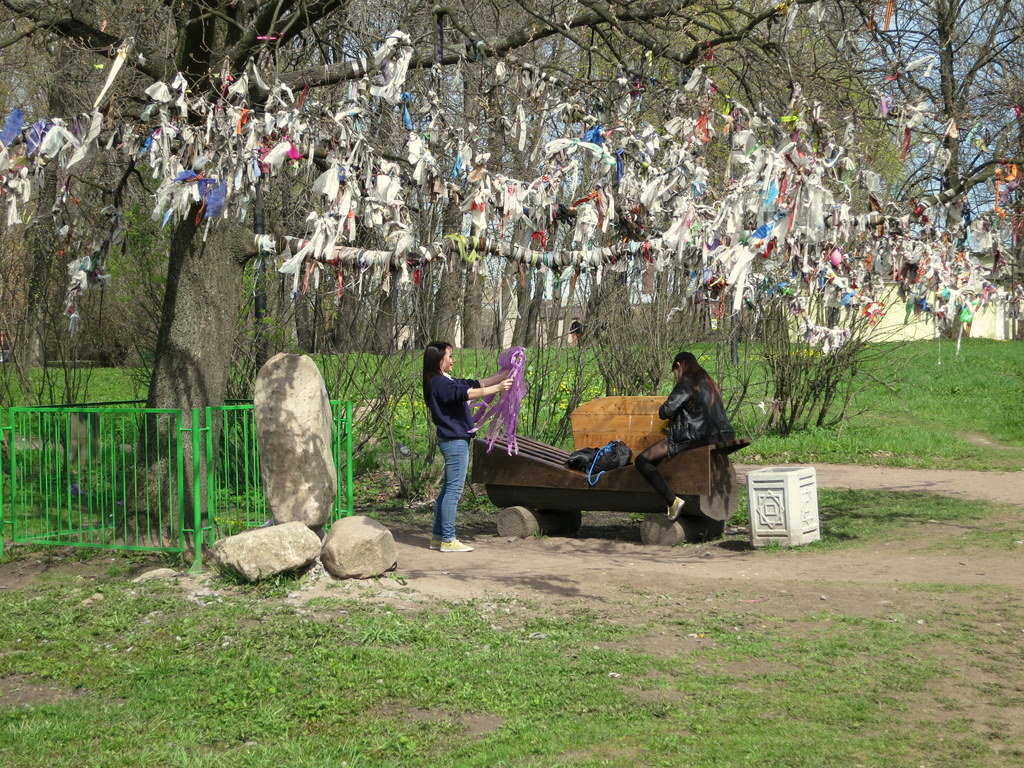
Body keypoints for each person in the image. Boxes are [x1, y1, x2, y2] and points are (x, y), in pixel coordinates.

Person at [423, 341, 513, 552]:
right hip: (454, 442)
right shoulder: (439, 383)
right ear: (439, 359)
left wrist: (504, 374)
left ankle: (438, 537)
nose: (453, 360)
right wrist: (498, 388)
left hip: (453, 440)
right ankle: (448, 539)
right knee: (454, 491)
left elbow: (475, 384)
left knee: (447, 490)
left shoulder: (444, 381)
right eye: (450, 356)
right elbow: (467, 394)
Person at [633, 351, 735, 520]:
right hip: (722, 434)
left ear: (679, 365)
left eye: (676, 372)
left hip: (695, 436)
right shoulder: (709, 381)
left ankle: (672, 501)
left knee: (642, 460)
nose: (676, 376)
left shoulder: (687, 381)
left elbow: (665, 411)